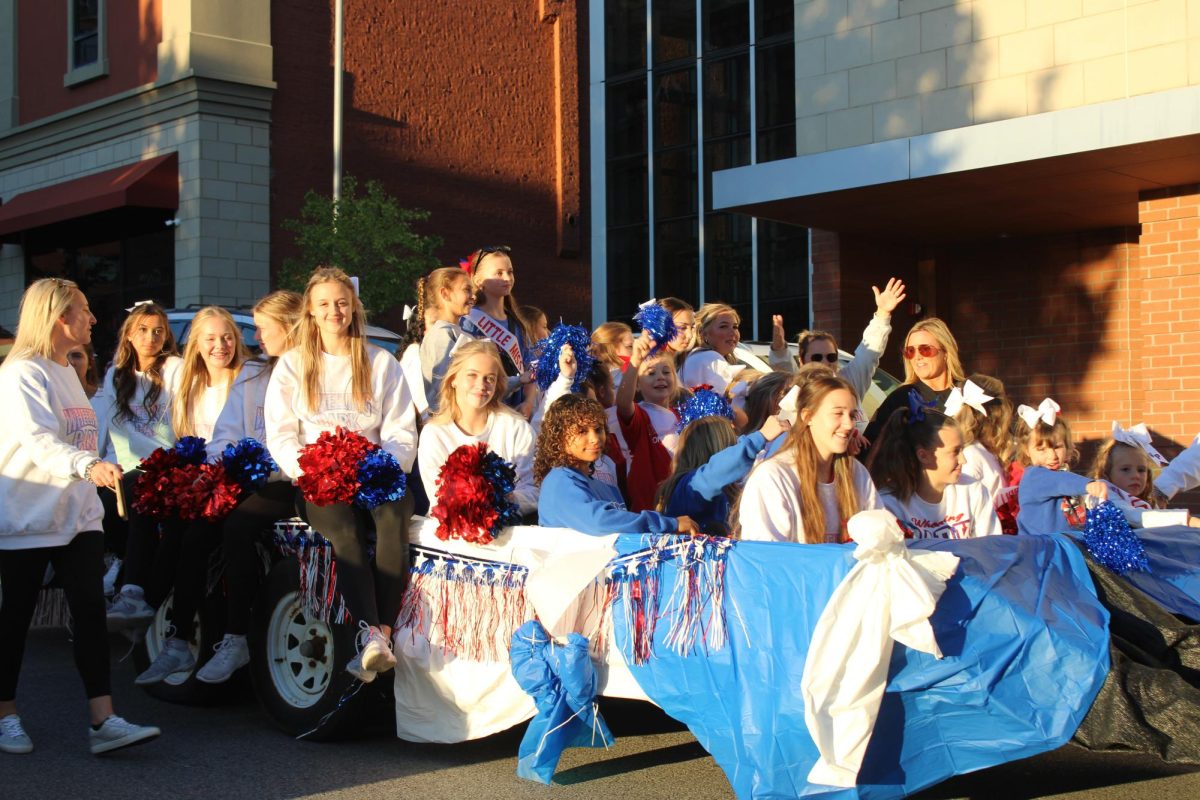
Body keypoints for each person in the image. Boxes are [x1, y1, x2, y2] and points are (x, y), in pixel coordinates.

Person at [0, 278, 160, 755]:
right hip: (28, 519)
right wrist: (88, 466)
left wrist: (93, 473)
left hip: (79, 518)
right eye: (84, 310)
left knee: (90, 615)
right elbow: (38, 441)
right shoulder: (21, 374)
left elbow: (82, 436)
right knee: (15, 621)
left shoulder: (66, 371)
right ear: (57, 317)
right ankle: (5, 713)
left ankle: (103, 720)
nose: (93, 319)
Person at [265, 266, 417, 684]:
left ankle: (381, 634)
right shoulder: (294, 365)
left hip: (375, 474)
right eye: (325, 304)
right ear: (311, 313)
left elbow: (401, 431)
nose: (335, 311)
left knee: (392, 522)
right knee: (345, 531)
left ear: (353, 308)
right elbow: (280, 436)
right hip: (319, 480)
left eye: (342, 303)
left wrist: (381, 469)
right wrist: (313, 471)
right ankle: (369, 631)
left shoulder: (381, 362)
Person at [134, 307, 253, 685]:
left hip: (233, 481)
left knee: (195, 538)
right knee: (170, 526)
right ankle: (148, 609)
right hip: (198, 483)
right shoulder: (188, 386)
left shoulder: (247, 379)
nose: (221, 346)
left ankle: (174, 633)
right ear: (196, 345)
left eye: (228, 337)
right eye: (211, 339)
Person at [192, 290, 305, 685]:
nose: (256, 338)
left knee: (239, 525)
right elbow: (226, 433)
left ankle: (237, 636)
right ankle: (176, 627)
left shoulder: (310, 369)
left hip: (295, 481)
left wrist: (270, 468)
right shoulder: (254, 372)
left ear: (289, 328)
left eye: (263, 329)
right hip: (256, 477)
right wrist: (222, 468)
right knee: (196, 514)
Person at [100, 302, 184, 629]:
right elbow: (112, 435)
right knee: (97, 499)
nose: (151, 338)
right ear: (130, 335)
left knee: (142, 495)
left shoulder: (174, 368)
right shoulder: (115, 375)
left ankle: (132, 590)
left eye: (158, 331)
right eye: (143, 331)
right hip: (124, 466)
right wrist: (106, 468)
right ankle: (117, 565)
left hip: (165, 464)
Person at [737, 373, 882, 543]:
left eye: (851, 415)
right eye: (838, 414)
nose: (849, 425)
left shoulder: (857, 473)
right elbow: (765, 558)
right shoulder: (773, 476)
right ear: (808, 417)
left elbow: (880, 541)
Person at [534, 394, 698, 535]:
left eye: (598, 429)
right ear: (559, 438)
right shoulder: (559, 481)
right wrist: (668, 524)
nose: (595, 438)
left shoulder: (606, 485)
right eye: (582, 431)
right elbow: (600, 523)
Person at [418, 341, 538, 518]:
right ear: (453, 380)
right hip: (451, 536)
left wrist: (503, 499)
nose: (481, 385)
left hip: (508, 532)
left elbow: (533, 490)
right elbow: (438, 498)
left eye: (490, 378)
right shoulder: (434, 434)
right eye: (472, 375)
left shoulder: (516, 428)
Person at [772, 278, 906, 428]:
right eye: (816, 357)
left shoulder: (849, 381)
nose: (825, 362)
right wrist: (779, 347)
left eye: (831, 357)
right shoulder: (798, 390)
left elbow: (869, 355)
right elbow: (783, 368)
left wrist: (883, 313)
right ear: (802, 361)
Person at [868, 397, 1001, 539]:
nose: (963, 460)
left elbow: (993, 549)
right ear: (923, 456)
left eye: (962, 450)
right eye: (955, 452)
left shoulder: (973, 490)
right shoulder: (889, 504)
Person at [657, 413, 789, 535]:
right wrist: (760, 437)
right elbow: (714, 474)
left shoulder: (728, 488)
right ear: (717, 450)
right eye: (733, 443)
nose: (737, 443)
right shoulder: (688, 486)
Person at [862, 317, 966, 446]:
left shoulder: (969, 393)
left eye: (925, 349)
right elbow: (870, 445)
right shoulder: (901, 398)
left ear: (945, 352)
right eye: (910, 351)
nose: (917, 356)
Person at [459, 246, 537, 417]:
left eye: (510, 272)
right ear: (478, 281)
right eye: (499, 273)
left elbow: (531, 366)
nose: (507, 278)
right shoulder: (469, 321)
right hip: (484, 411)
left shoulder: (516, 324)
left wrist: (529, 402)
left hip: (516, 412)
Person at [615, 333, 682, 512]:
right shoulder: (640, 415)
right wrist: (635, 361)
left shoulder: (682, 415)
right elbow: (622, 403)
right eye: (651, 373)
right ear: (637, 384)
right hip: (651, 509)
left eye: (666, 372)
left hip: (681, 503)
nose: (660, 377)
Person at [416, 267, 476, 413]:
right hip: (450, 421)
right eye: (467, 290)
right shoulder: (441, 335)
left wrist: (519, 380)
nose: (473, 296)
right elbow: (442, 385)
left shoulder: (454, 331)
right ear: (445, 294)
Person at [679, 303, 742, 395]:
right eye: (723, 326)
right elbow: (721, 404)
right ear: (704, 334)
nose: (733, 332)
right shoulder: (710, 358)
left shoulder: (695, 357)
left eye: (735, 327)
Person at [591, 321, 633, 388]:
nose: (633, 352)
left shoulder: (630, 373)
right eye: (629, 346)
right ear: (609, 349)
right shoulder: (589, 378)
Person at [659, 297, 696, 367]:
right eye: (682, 328)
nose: (690, 335)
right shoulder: (650, 363)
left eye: (692, 327)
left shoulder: (685, 361)